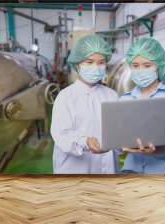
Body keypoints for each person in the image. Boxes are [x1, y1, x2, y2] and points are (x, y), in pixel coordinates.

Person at [51, 35, 119, 174]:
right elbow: (61, 135)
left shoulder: (111, 95)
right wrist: (85, 141)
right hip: (74, 170)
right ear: (77, 64)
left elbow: (118, 131)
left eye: (101, 62)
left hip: (107, 169)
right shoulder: (66, 97)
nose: (96, 67)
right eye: (89, 62)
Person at [120, 37, 165, 174]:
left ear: (158, 66)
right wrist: (120, 146)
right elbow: (118, 142)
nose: (140, 70)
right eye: (135, 66)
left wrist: (161, 149)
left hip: (162, 175)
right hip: (131, 171)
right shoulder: (124, 100)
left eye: (147, 65)